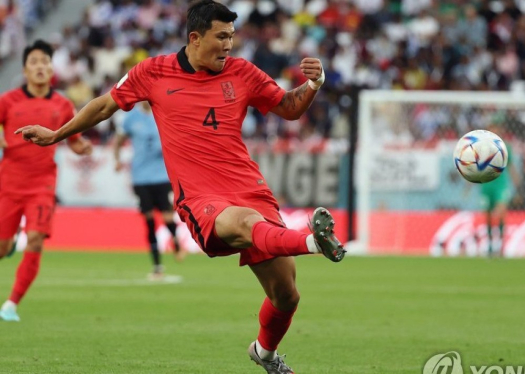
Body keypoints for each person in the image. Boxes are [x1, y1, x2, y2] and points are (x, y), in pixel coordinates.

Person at [15, 2, 345, 373]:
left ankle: (265, 354)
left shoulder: (242, 73)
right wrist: (58, 134)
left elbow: (288, 107)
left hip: (248, 186)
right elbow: (106, 105)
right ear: (195, 38)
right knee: (245, 223)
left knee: (286, 295)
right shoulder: (153, 72)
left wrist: (313, 84)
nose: (229, 46)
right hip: (201, 197)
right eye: (221, 37)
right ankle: (313, 242)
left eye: (232, 38)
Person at [0, 40, 92, 322]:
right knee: (1, 248)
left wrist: (83, 148)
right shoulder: (7, 101)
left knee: (37, 239)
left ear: (52, 68)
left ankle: (11, 305)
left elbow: (74, 141)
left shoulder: (63, 104)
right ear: (25, 69)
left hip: (42, 185)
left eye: (45, 62)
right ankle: (9, 243)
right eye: (35, 62)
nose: (41, 67)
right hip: (9, 184)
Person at [112, 101, 185, 280]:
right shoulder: (130, 118)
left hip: (162, 175)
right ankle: (157, 266)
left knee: (168, 216)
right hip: (140, 177)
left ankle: (175, 239)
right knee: (149, 220)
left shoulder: (164, 112)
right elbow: (118, 141)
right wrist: (117, 159)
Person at [479, 124, 520, 256]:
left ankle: (501, 245)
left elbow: (511, 167)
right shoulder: (481, 148)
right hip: (486, 185)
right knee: (488, 216)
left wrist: (517, 185)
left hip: (501, 185)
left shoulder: (505, 147)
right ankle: (490, 245)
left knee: (501, 213)